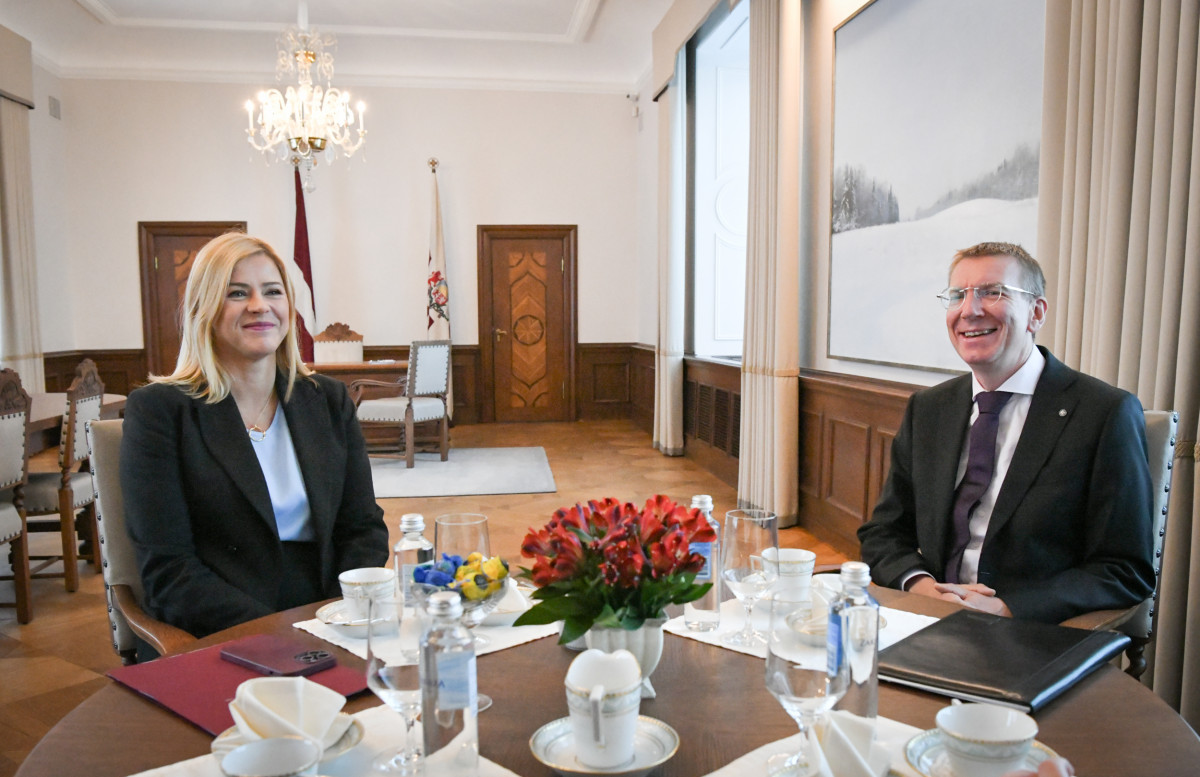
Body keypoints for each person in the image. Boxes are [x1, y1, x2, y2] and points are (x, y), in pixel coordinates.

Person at [857, 242, 1156, 623]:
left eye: (992, 292)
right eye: (957, 295)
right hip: (927, 617)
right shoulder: (928, 408)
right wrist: (924, 589)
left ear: (1036, 312)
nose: (969, 310)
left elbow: (1124, 569)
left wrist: (1006, 608)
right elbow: (883, 533)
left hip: (1031, 633)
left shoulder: (1104, 413)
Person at [121, 232, 389, 642]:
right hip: (216, 625)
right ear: (205, 308)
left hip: (328, 614)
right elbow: (169, 570)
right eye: (237, 293)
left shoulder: (329, 400)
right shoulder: (159, 411)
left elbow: (363, 528)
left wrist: (339, 614)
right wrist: (277, 635)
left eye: (272, 291)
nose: (259, 305)